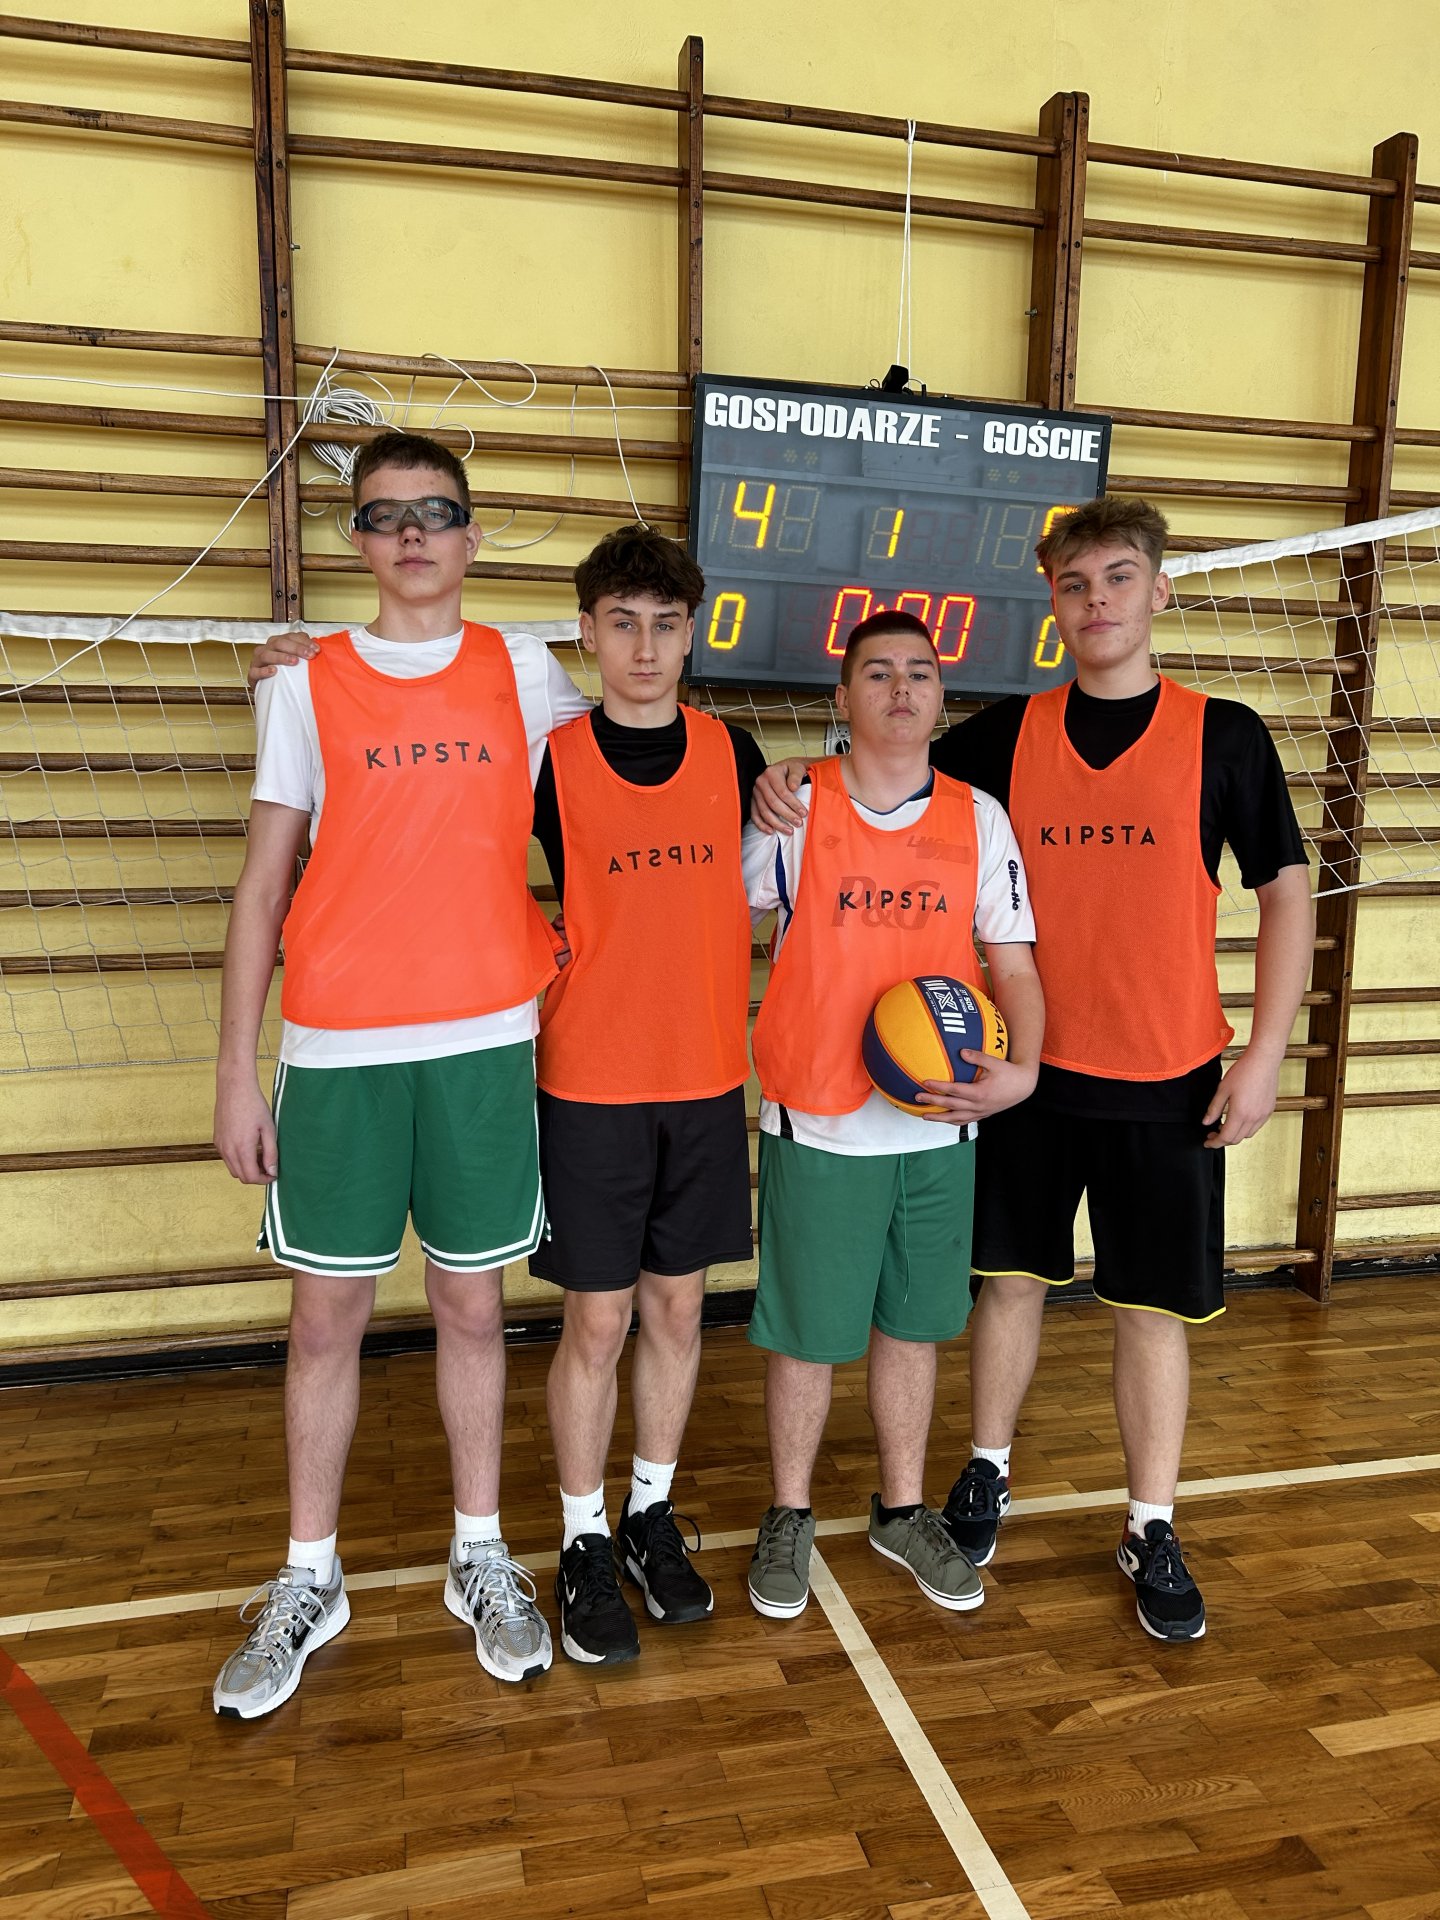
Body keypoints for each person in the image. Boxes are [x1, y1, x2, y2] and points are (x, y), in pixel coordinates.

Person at [752, 498, 1315, 1642]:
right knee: (1006, 1285)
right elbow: (885, 766)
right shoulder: (1005, 737)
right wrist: (789, 777)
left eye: (1118, 577)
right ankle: (985, 1471)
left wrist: (1265, 1053)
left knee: (1150, 1310)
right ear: (1052, 603)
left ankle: (1151, 1522)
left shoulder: (1226, 734)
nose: (1096, 600)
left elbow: (1286, 894)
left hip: (1168, 1071)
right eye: (1074, 583)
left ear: (1159, 589)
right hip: (1020, 1075)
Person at [211, 429, 589, 1716]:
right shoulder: (305, 682)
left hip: (483, 1041)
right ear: (359, 541)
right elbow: (263, 884)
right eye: (384, 515)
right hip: (339, 1048)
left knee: (474, 1310)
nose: (412, 532)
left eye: (434, 511)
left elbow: (641, 758)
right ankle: (308, 1576)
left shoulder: (525, 670)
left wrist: (779, 792)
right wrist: (235, 1071)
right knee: (325, 1322)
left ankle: (478, 1552)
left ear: (471, 538)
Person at [741, 610, 1043, 1621]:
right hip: (822, 1118)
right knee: (808, 1338)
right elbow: (716, 919)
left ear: (941, 697)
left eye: (920, 672)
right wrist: (758, 792)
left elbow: (1013, 964)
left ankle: (902, 1510)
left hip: (940, 1120)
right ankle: (789, 1512)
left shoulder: (978, 817)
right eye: (878, 673)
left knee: (914, 1329)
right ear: (843, 697)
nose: (901, 689)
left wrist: (1024, 1069)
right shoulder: (794, 808)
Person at [530, 524, 765, 1665]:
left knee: (677, 1310)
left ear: (690, 633)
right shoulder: (548, 760)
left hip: (707, 1076)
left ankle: (649, 1513)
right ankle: (581, 1535)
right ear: (588, 632)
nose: (643, 646)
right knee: (598, 1318)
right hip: (591, 1080)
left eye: (665, 624)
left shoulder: (737, 755)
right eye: (621, 623)